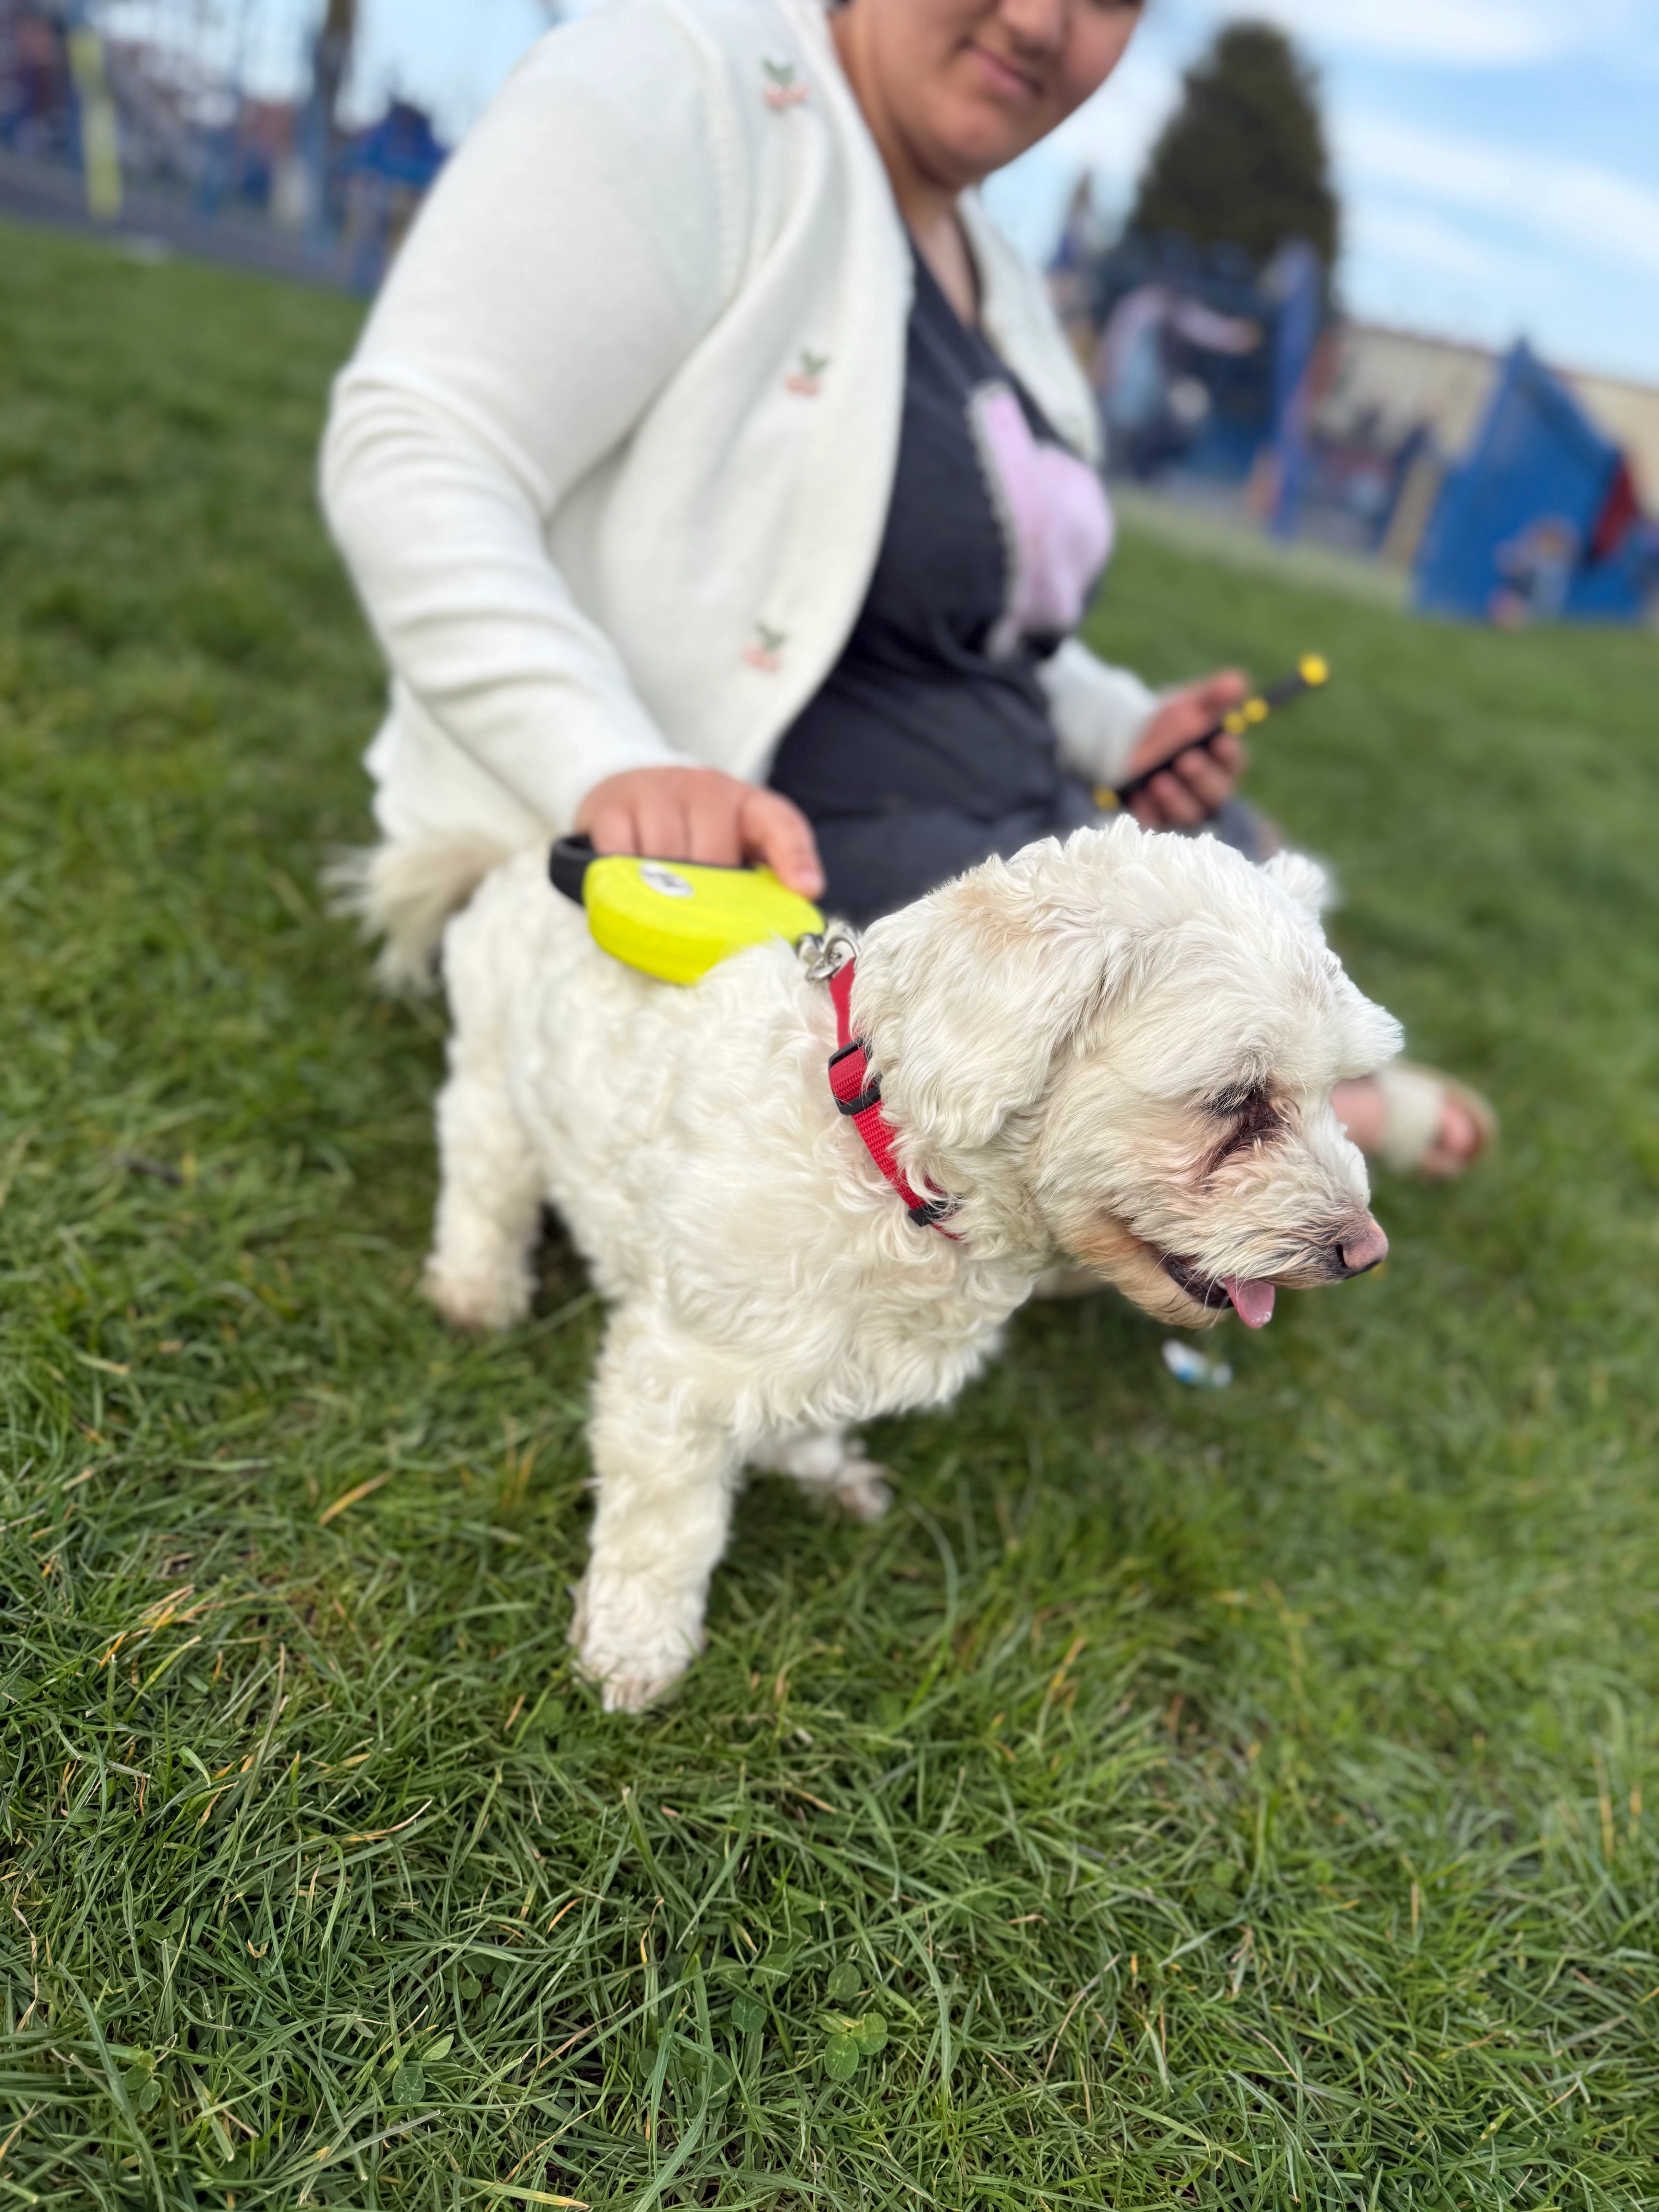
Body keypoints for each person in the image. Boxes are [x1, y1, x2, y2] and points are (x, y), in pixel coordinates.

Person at [322, 0, 1489, 1176]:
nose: (1040, 20)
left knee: (1222, 908)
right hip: (784, 873)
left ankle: (1301, 1095)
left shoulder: (1003, 280)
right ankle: (1326, 1111)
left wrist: (1126, 726)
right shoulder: (686, 80)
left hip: (992, 818)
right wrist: (604, 760)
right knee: (1081, 1092)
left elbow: (979, 624)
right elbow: (421, 445)